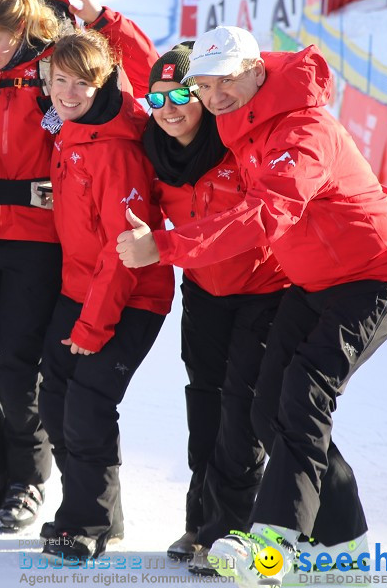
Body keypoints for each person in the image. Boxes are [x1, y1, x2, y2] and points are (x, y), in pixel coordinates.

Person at [117, 27, 387, 587]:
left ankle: (273, 545)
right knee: (266, 407)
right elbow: (158, 82)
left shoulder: (301, 127)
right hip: (311, 282)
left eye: (226, 81)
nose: (214, 97)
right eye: (205, 87)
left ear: (257, 69)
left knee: (304, 397)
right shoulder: (246, 121)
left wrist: (163, 246)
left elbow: (269, 211)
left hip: (375, 278)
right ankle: (344, 547)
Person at [0, 0, 158, 533]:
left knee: (18, 371)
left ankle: (26, 479)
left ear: (20, 28)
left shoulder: (55, 64)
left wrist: (105, 18)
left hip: (38, 242)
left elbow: (130, 74)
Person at [140, 43, 288, 570]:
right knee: (203, 405)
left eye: (183, 93)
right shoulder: (155, 151)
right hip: (203, 292)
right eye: (157, 97)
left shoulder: (239, 143)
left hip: (265, 290)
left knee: (241, 409)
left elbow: (317, 176)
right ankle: (199, 523)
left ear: (204, 95)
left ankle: (230, 531)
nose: (170, 107)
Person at [37, 30, 173, 559]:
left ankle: (86, 523)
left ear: (105, 81)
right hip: (78, 288)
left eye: (81, 83)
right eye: (59, 81)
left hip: (130, 295)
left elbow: (124, 254)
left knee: (88, 406)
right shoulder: (70, 127)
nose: (68, 93)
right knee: (54, 400)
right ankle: (97, 509)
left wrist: (93, 327)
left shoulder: (116, 150)